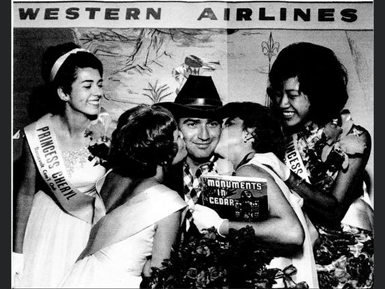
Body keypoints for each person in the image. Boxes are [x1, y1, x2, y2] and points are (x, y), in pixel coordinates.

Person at [262, 42, 373, 288]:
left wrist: (287, 175)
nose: (282, 104)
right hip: (295, 248)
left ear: (319, 93)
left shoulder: (354, 135)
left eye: (292, 96)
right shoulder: (273, 134)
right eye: (277, 94)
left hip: (344, 254)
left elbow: (333, 209)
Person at [58, 104, 188, 288]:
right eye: (179, 137)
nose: (185, 142)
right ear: (164, 150)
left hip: (83, 275)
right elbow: (158, 272)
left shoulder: (109, 177)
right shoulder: (168, 202)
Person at [12, 42, 109, 287]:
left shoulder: (111, 131)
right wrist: (16, 253)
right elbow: (24, 193)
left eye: (99, 84)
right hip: (44, 228)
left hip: (89, 229)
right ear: (64, 93)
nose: (97, 92)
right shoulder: (36, 134)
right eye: (87, 86)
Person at [192, 101, 319, 288]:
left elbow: (292, 233)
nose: (218, 130)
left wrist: (221, 226)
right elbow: (313, 234)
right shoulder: (261, 167)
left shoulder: (249, 171)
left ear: (249, 132)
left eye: (228, 123)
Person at [156, 75, 225, 238]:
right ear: (176, 128)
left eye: (212, 124)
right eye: (192, 124)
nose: (204, 135)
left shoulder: (235, 173)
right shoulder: (160, 171)